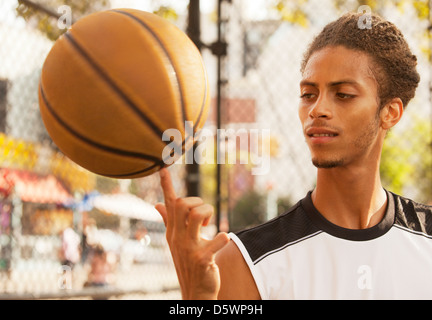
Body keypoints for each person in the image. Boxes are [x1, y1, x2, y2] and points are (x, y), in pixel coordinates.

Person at [155, 12, 432, 299]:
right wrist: (197, 299)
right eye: (309, 94)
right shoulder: (246, 261)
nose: (317, 109)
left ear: (390, 112)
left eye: (344, 94)